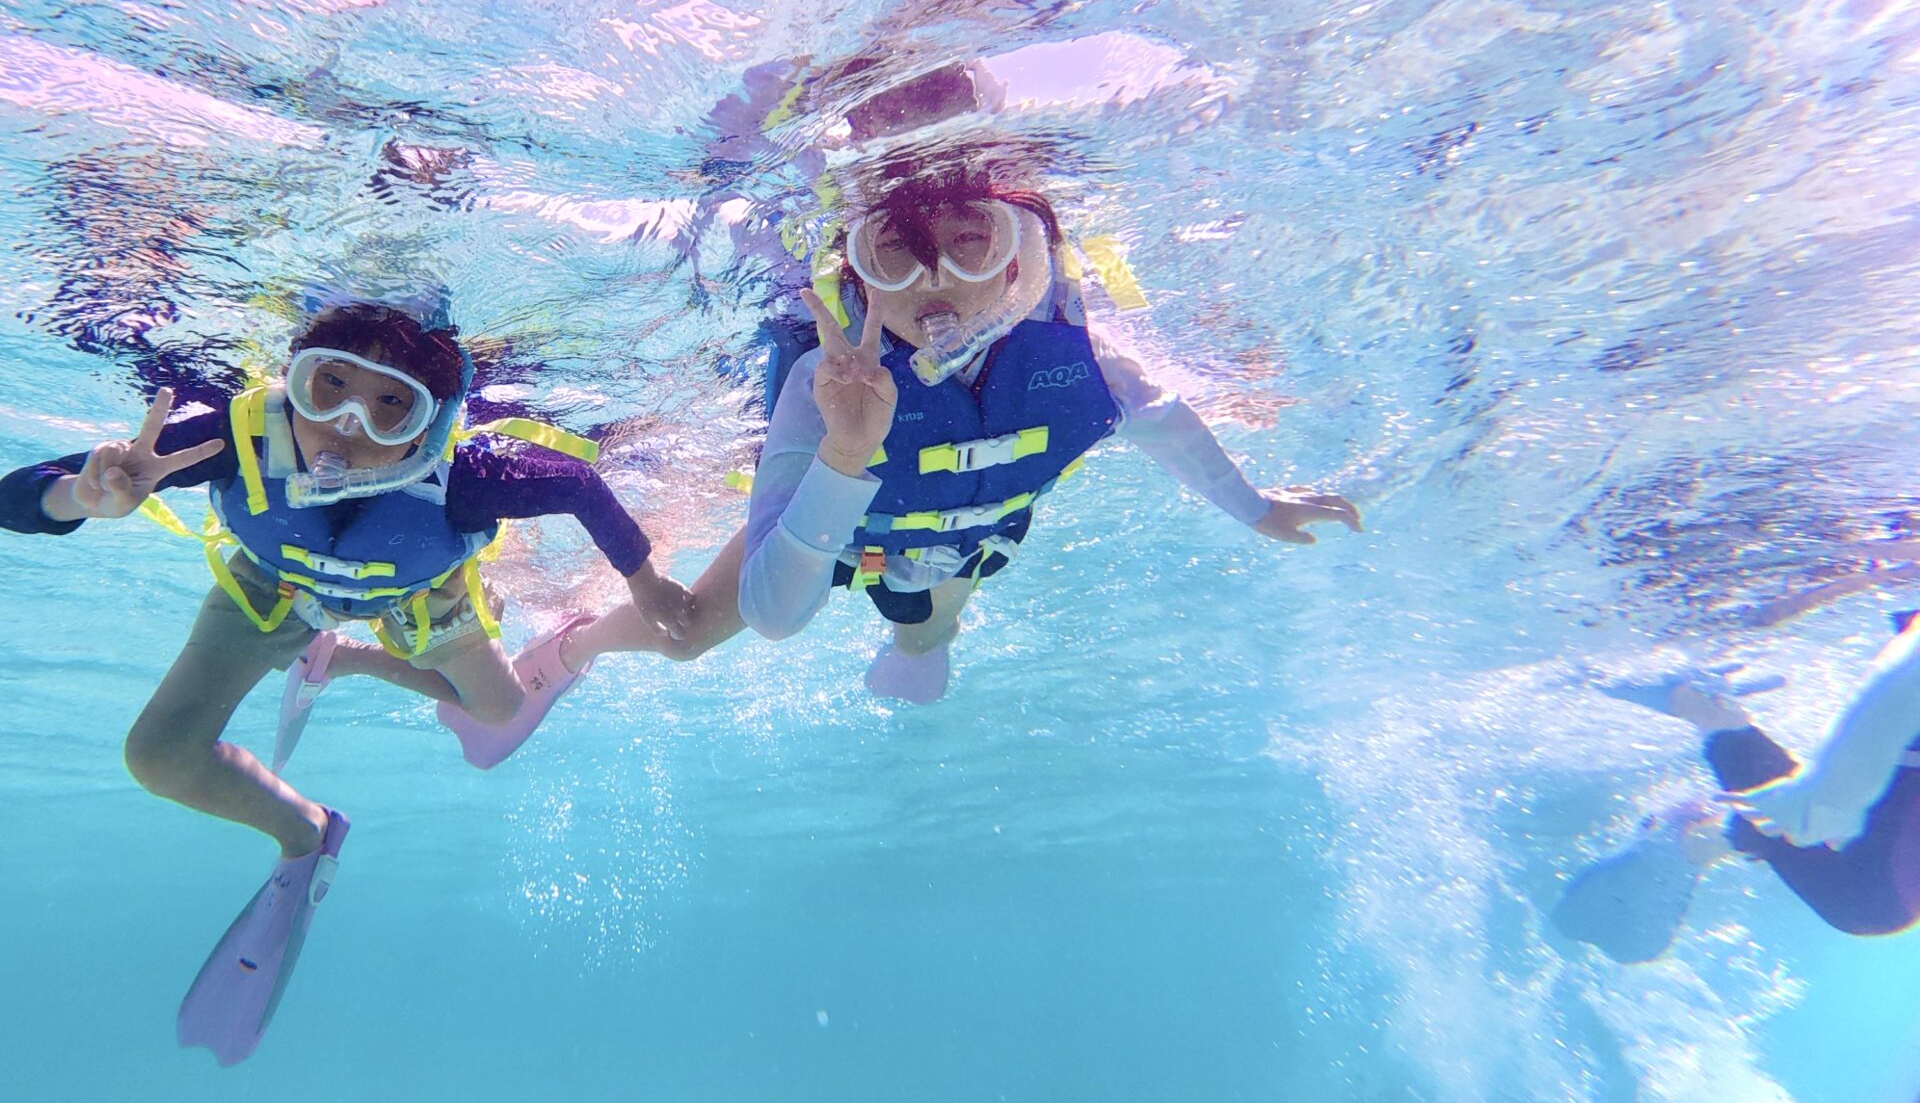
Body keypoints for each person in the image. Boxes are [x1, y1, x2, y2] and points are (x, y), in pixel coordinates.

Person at [442, 151, 1361, 766]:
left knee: (927, 620)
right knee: (684, 637)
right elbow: (775, 615)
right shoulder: (822, 385)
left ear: (1016, 260)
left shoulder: (1084, 364)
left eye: (970, 242)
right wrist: (846, 453)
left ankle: (917, 640)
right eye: (896, 256)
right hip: (832, 523)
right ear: (858, 275)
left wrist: (1258, 508)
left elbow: (1164, 422)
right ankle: (570, 650)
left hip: (965, 534)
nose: (935, 281)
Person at [0, 297, 690, 1058]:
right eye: (331, 387)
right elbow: (8, 502)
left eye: (391, 406)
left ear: (431, 425)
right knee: (158, 757)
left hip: (415, 594)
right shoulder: (232, 437)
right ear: (295, 380)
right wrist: (79, 497)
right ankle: (304, 832)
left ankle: (344, 657)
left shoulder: (468, 478)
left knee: (499, 710)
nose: (348, 425)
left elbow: (580, 486)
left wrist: (645, 582)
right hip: (268, 591)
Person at [1552, 610, 1920, 964]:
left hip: (1878, 888)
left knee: (1809, 812)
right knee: (1809, 812)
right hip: (1880, 886)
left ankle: (1695, 835)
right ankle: (1697, 835)